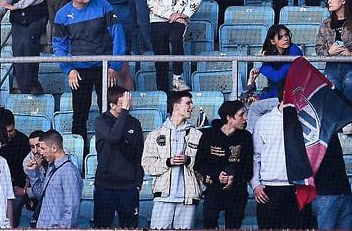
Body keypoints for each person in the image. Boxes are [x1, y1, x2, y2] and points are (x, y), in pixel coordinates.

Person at [53, 0, 125, 136]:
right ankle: (79, 146)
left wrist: (114, 66)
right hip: (79, 70)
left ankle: (108, 145)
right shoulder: (62, 15)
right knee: (79, 114)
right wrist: (69, 70)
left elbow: (118, 36)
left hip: (105, 67)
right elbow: (59, 45)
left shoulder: (103, 5)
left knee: (109, 112)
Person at [142, 91, 204, 229]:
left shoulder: (198, 135)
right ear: (176, 106)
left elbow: (204, 165)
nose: (192, 107)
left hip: (188, 198)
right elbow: (147, 164)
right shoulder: (155, 134)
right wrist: (168, 162)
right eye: (188, 103)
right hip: (163, 198)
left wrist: (188, 160)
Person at [252, 99, 316, 229]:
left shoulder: (305, 120)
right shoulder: (264, 122)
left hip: (298, 186)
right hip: (270, 188)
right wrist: (255, 184)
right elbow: (255, 156)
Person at [195, 100, 254, 229]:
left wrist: (233, 178)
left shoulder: (246, 137)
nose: (245, 118)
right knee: (209, 222)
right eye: (241, 115)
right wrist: (216, 176)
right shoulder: (208, 136)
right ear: (229, 118)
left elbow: (248, 168)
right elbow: (199, 165)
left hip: (237, 193)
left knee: (234, 226)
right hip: (213, 191)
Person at [93, 85, 145, 229]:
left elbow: (139, 153)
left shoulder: (134, 123)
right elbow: (113, 137)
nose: (128, 105)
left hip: (129, 186)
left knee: (130, 227)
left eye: (128, 101)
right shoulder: (101, 121)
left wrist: (138, 180)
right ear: (112, 105)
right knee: (102, 227)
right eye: (123, 102)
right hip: (105, 186)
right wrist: (124, 113)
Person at [245, 24, 305, 129]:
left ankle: (249, 138)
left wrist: (263, 63)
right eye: (281, 37)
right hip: (277, 96)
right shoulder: (271, 53)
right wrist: (256, 93)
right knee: (250, 104)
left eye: (286, 35)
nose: (286, 39)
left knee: (255, 108)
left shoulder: (294, 50)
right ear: (273, 41)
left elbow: (279, 77)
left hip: (295, 96)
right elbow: (274, 86)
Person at [23, 129, 82, 229]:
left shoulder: (68, 171)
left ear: (54, 148)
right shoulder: (51, 167)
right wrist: (33, 173)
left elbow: (72, 209)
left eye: (43, 148)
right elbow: (39, 193)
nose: (40, 152)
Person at [0, 110, 32, 228]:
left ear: (14, 125)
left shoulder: (23, 141)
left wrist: (24, 190)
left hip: (17, 189)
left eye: (11, 131)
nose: (8, 134)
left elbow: (31, 170)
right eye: (5, 132)